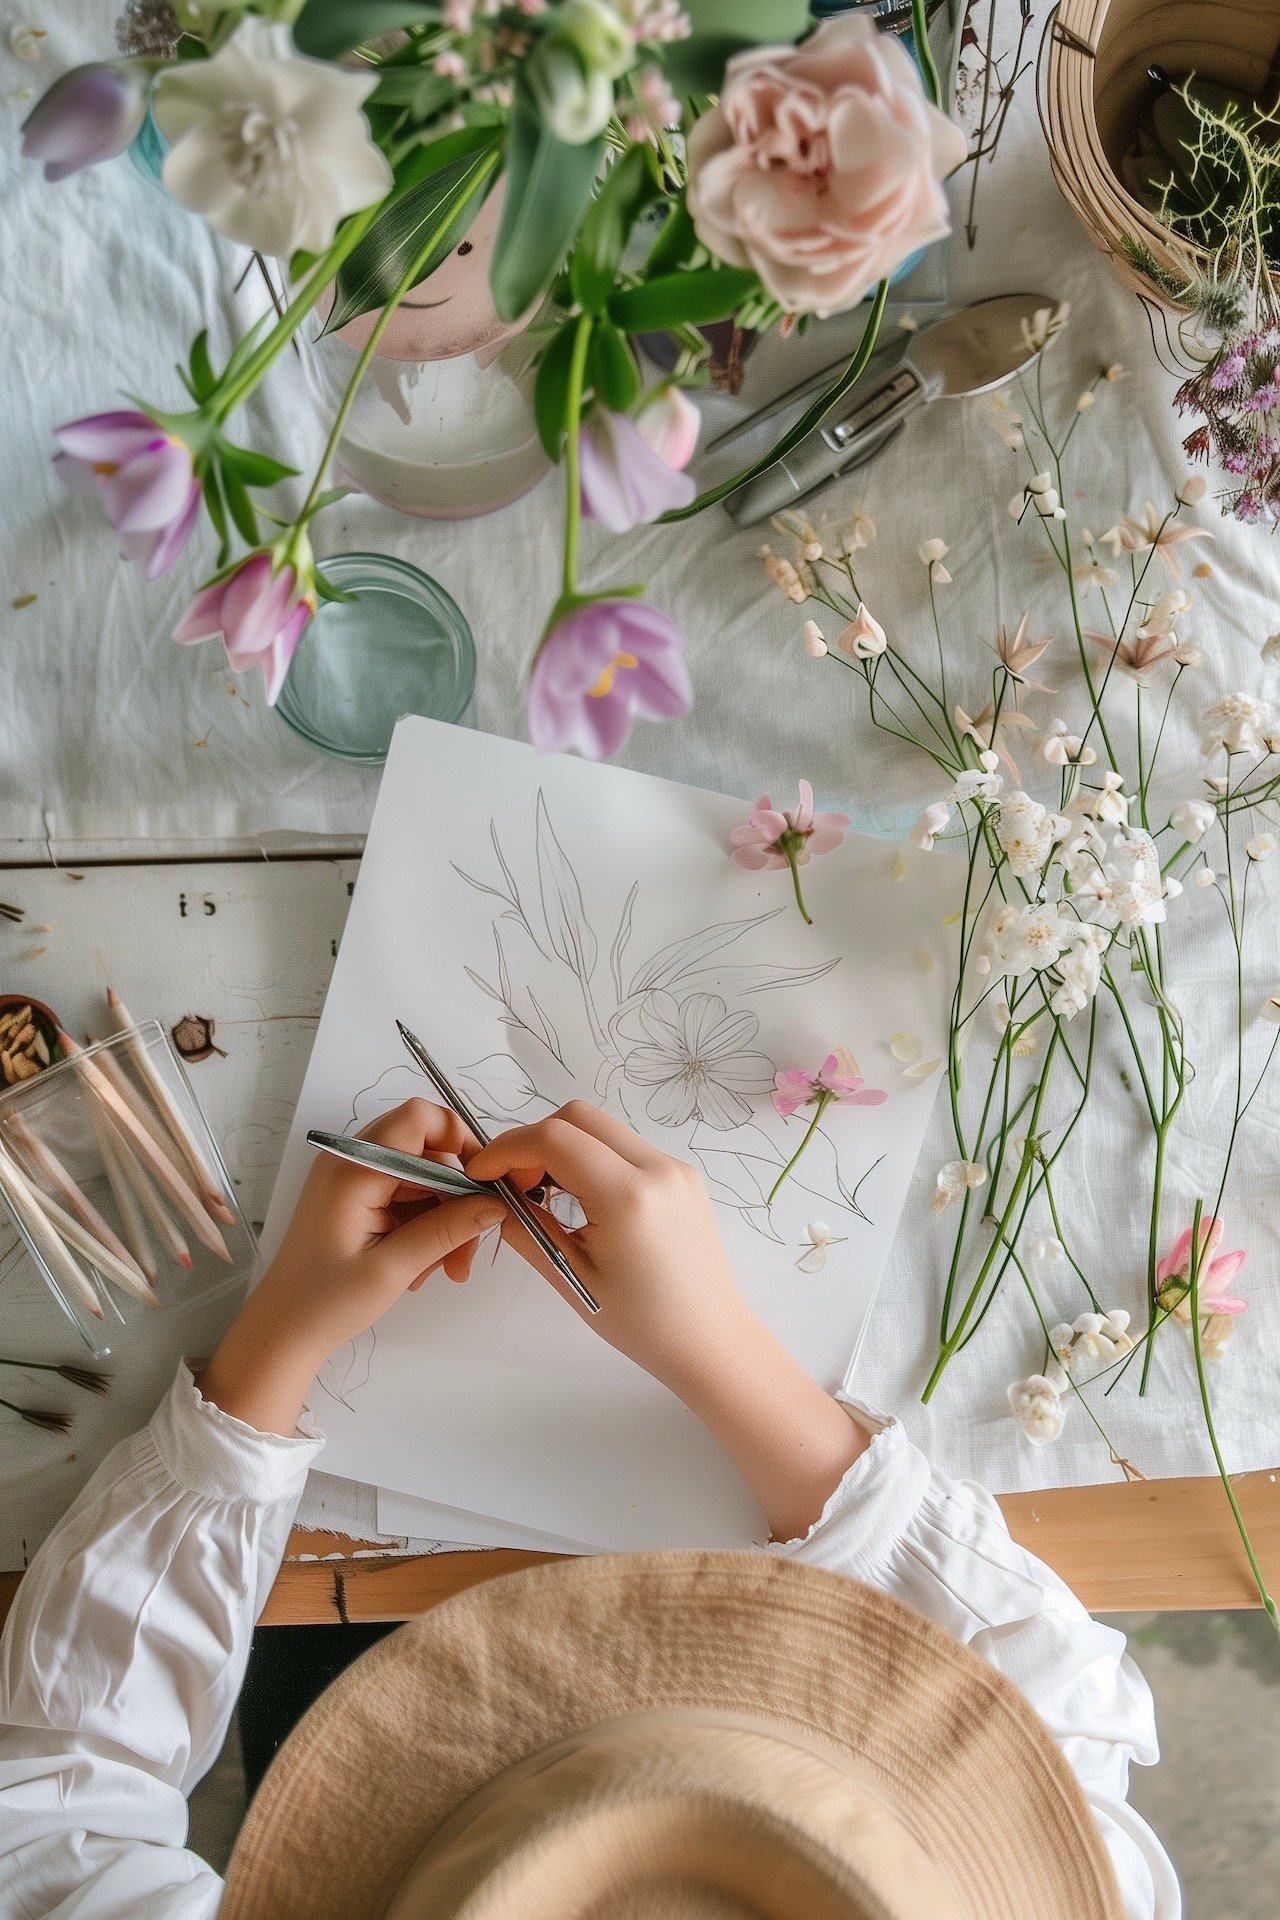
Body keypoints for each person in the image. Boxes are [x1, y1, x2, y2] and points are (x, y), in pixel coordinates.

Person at [0, 1098, 1178, 1919]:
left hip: (426, 1789)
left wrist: (275, 1344)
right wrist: (724, 1354)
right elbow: (1051, 1726)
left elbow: (50, 1820)